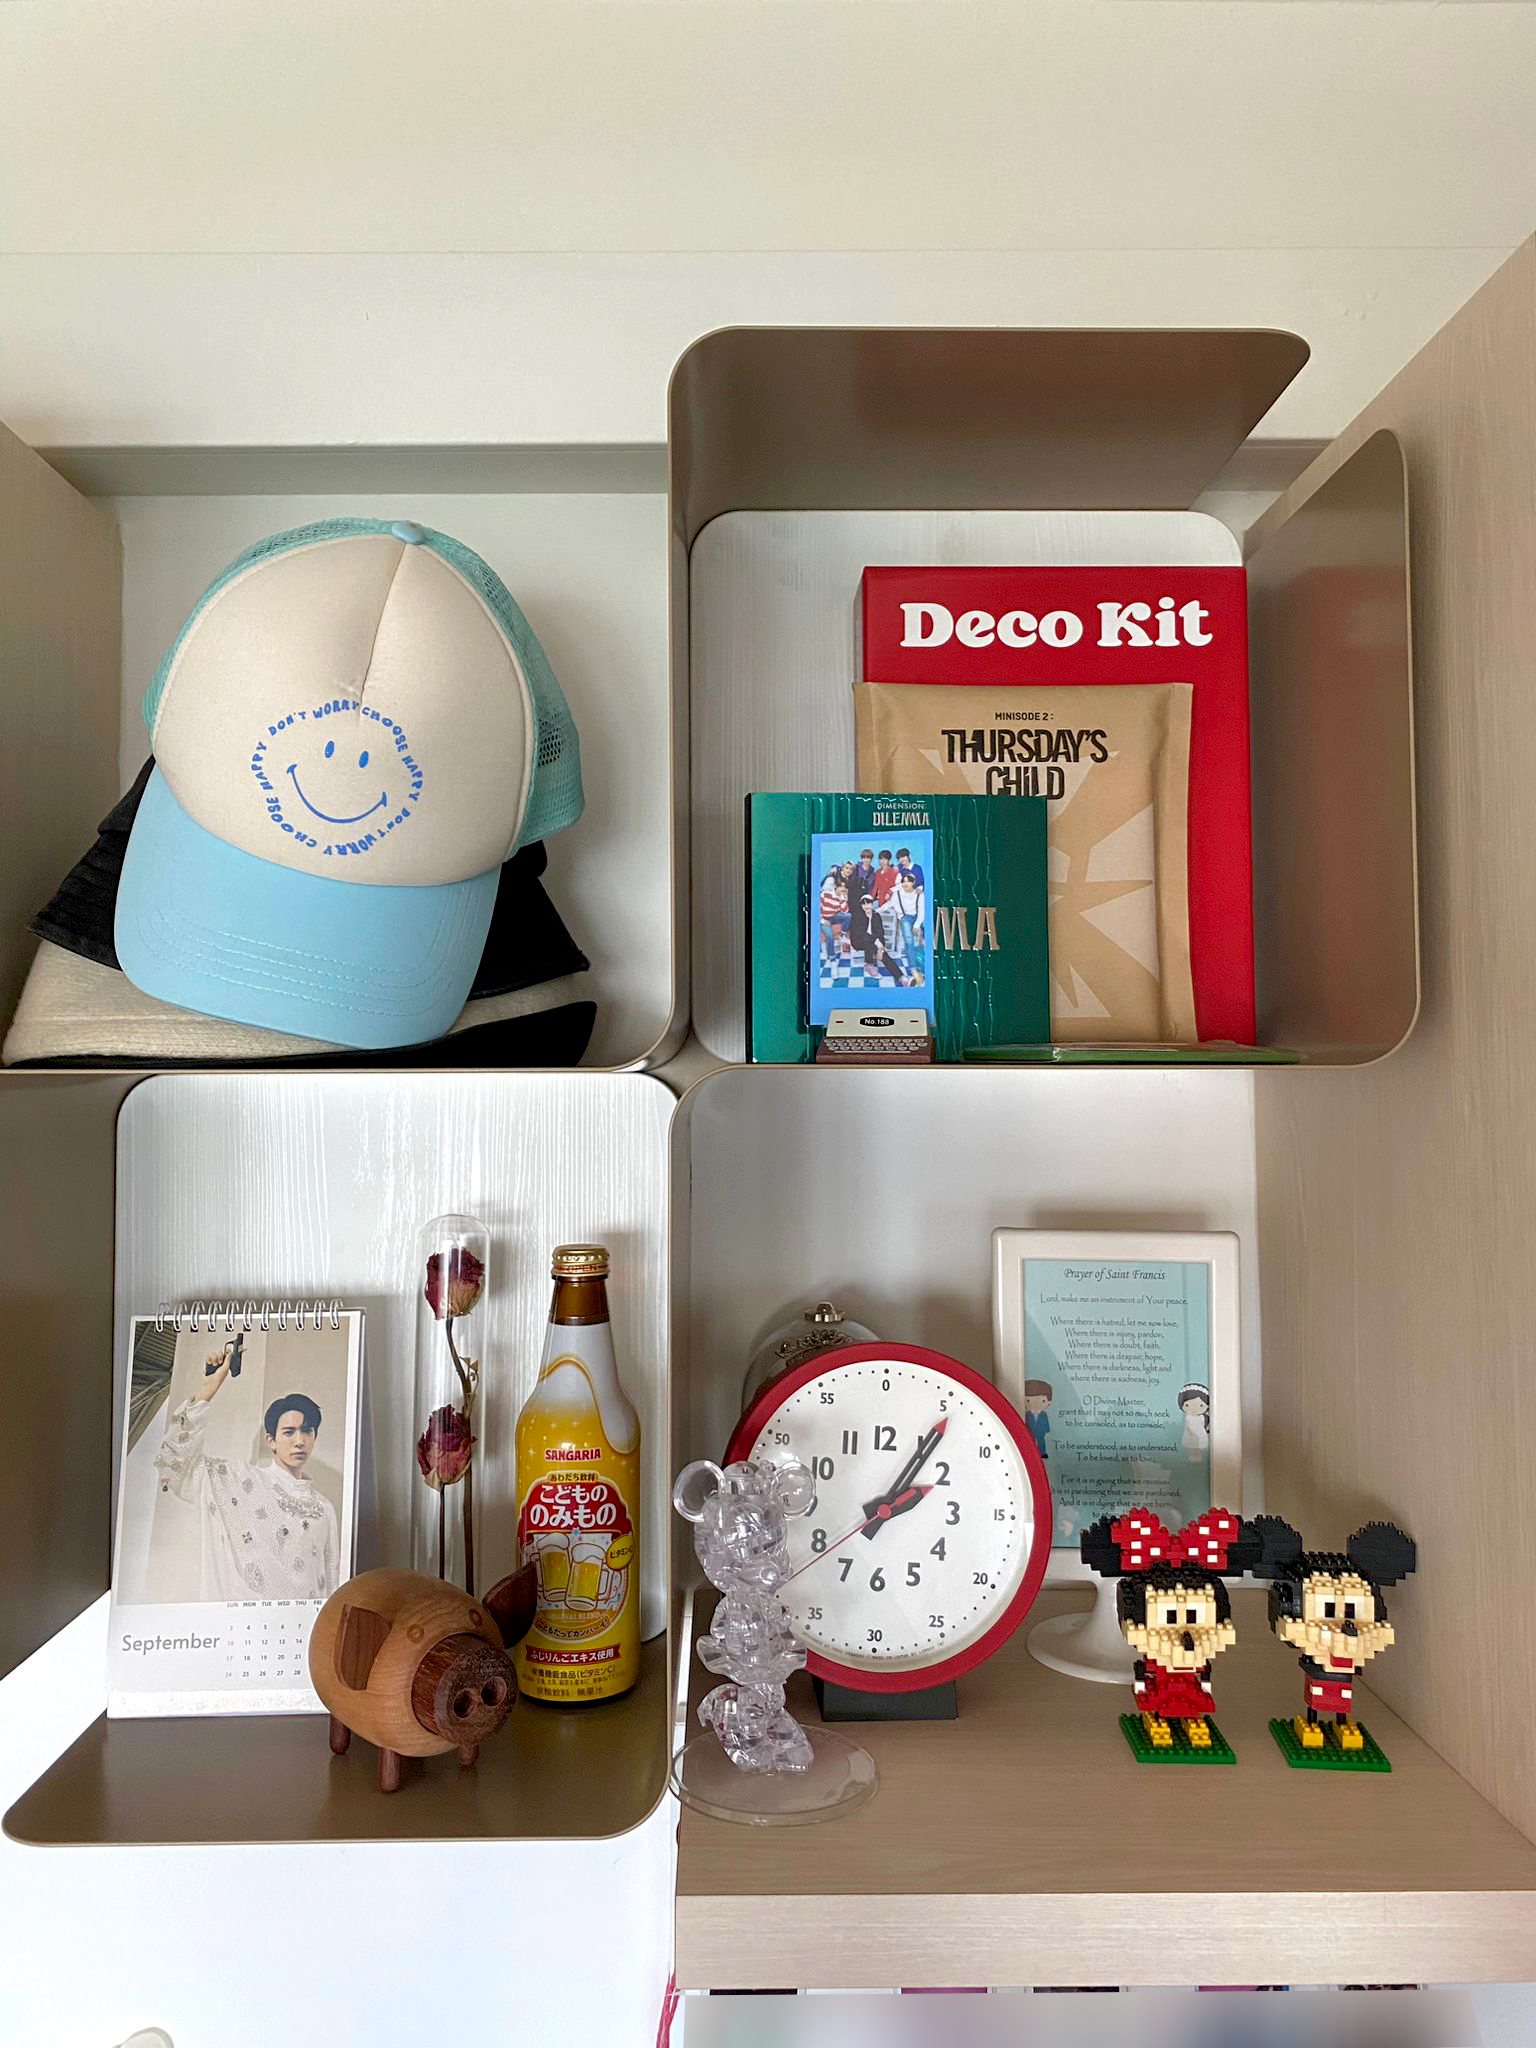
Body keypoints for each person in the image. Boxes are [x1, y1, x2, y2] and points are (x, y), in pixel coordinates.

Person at [154, 1343, 339, 1600]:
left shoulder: (324, 1508)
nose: (299, 1440)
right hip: (242, 1630)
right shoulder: (241, 1482)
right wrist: (210, 1388)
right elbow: (176, 1463)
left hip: (304, 1632)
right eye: (288, 1432)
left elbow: (333, 1585)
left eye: (307, 1431)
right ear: (271, 1440)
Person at [893, 860, 925, 983]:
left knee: (927, 937)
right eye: (903, 881)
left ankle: (924, 966)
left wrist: (917, 925)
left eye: (908, 881)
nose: (906, 883)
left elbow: (922, 911)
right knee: (909, 940)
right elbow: (889, 905)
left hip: (918, 917)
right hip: (905, 918)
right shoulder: (898, 894)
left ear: (913, 882)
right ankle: (913, 968)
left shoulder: (919, 894)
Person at [817, 866, 848, 972]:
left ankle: (842, 935)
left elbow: (845, 911)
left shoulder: (840, 897)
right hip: (824, 918)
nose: (843, 889)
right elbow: (817, 909)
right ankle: (833, 961)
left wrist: (842, 898)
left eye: (844, 888)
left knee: (848, 916)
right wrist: (821, 919)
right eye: (841, 887)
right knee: (830, 936)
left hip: (833, 917)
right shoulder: (825, 894)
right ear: (836, 886)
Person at [1023, 1378, 1053, 1460]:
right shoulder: (1027, 1414)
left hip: (1040, 1431)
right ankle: (1030, 1452)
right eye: (1028, 1400)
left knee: (1041, 1441)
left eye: (1043, 1400)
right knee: (1030, 1442)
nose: (1035, 1404)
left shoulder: (1043, 1414)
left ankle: (1042, 1452)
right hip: (1030, 1431)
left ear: (1048, 1402)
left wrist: (1046, 1430)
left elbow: (1045, 1422)